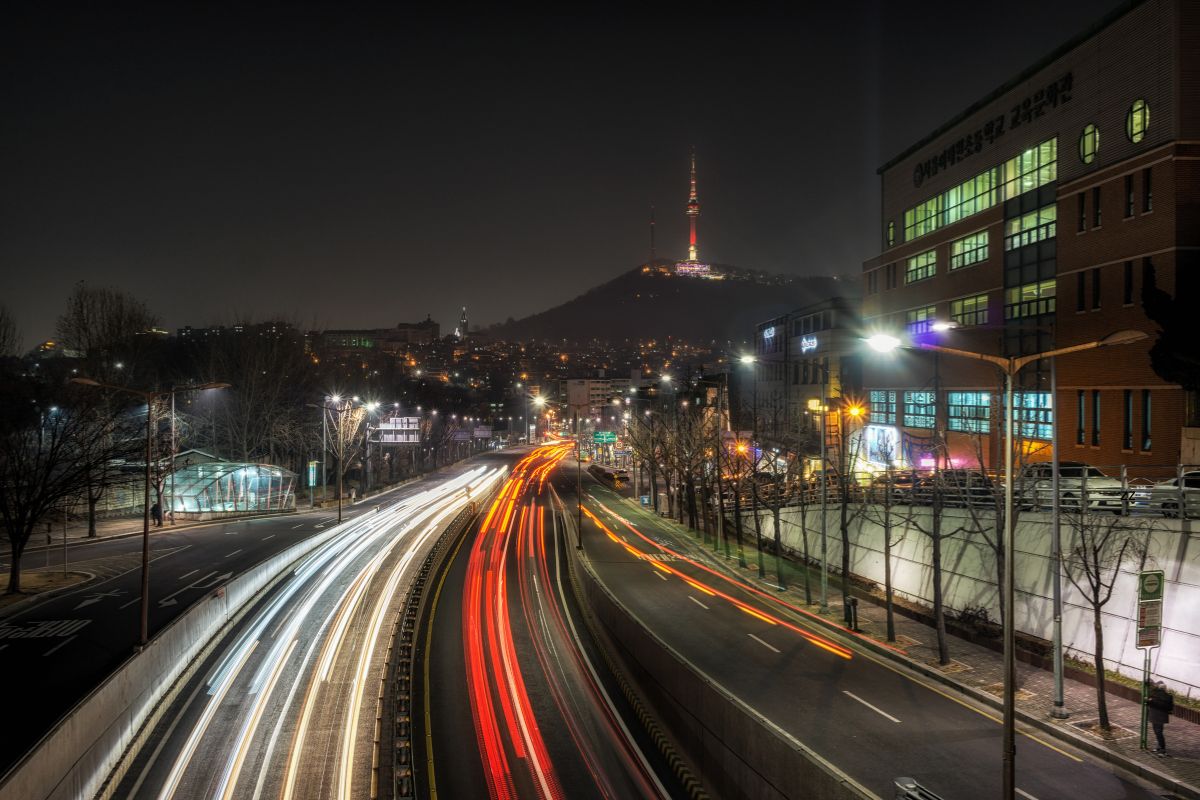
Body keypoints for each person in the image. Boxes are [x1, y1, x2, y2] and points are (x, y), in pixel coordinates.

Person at [1147, 680, 1174, 755]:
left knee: (1158, 732)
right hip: (1158, 716)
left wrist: (1152, 701)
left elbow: (1165, 706)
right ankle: (1159, 746)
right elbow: (1170, 708)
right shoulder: (1166, 696)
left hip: (1158, 717)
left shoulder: (1164, 696)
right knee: (1157, 732)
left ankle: (1162, 748)